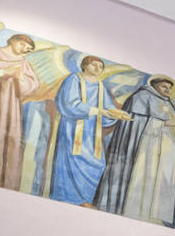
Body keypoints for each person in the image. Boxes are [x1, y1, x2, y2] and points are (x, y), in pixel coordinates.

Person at [94, 74, 175, 226]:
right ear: (154, 86)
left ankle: (155, 216)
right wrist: (163, 124)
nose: (167, 90)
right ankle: (135, 211)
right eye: (164, 86)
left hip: (166, 151)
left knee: (160, 181)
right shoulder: (142, 97)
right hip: (145, 148)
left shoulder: (169, 104)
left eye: (169, 88)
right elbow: (135, 121)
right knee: (143, 176)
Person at [49, 56, 129, 206]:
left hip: (93, 131)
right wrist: (98, 111)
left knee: (98, 163)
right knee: (72, 160)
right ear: (84, 66)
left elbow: (108, 109)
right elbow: (69, 103)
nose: (98, 69)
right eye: (94, 65)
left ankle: (86, 198)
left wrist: (117, 114)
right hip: (73, 128)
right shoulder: (74, 79)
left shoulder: (100, 86)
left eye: (101, 66)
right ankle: (71, 198)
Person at [0, 33, 40, 191]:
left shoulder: (23, 63)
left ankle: (3, 185)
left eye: (28, 49)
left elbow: (33, 85)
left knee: (9, 143)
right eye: (22, 44)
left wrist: (21, 79)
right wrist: (3, 72)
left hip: (11, 108)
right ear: (12, 40)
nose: (24, 50)